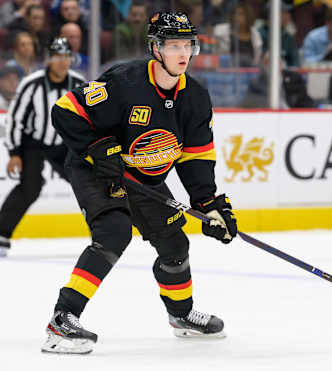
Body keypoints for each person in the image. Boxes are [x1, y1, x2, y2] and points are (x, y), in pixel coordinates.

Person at [41, 11, 238, 355]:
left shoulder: (194, 97)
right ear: (155, 48)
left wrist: (209, 204)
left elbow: (195, 156)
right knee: (114, 232)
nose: (183, 53)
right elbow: (64, 110)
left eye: (187, 45)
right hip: (97, 169)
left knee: (175, 245)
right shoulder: (124, 82)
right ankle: (63, 319)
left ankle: (180, 315)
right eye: (173, 44)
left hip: (142, 177)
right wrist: (98, 148)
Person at [0, 38, 85, 255]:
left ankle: (104, 230)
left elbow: (89, 117)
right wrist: (14, 153)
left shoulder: (78, 83)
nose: (62, 62)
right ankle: (1, 233)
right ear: (49, 59)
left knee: (87, 183)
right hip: (33, 143)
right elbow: (16, 119)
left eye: (66, 56)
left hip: (64, 145)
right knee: (30, 186)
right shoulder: (32, 83)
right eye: (57, 56)